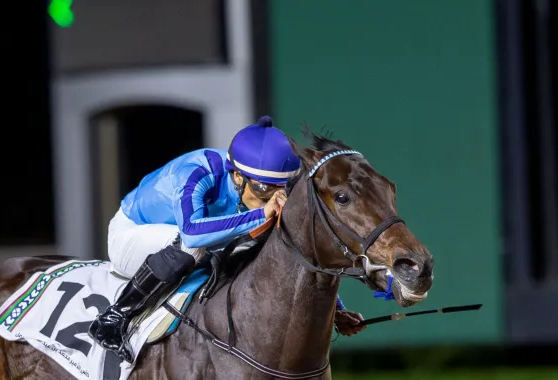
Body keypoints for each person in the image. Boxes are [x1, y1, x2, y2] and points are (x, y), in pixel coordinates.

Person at [88, 116, 366, 364]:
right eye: (262, 188)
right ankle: (114, 319)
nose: (272, 198)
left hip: (182, 244)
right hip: (133, 234)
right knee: (194, 247)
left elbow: (294, 252)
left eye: (282, 188)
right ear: (237, 175)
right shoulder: (197, 172)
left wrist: (336, 310)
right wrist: (261, 215)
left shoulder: (255, 181)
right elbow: (192, 233)